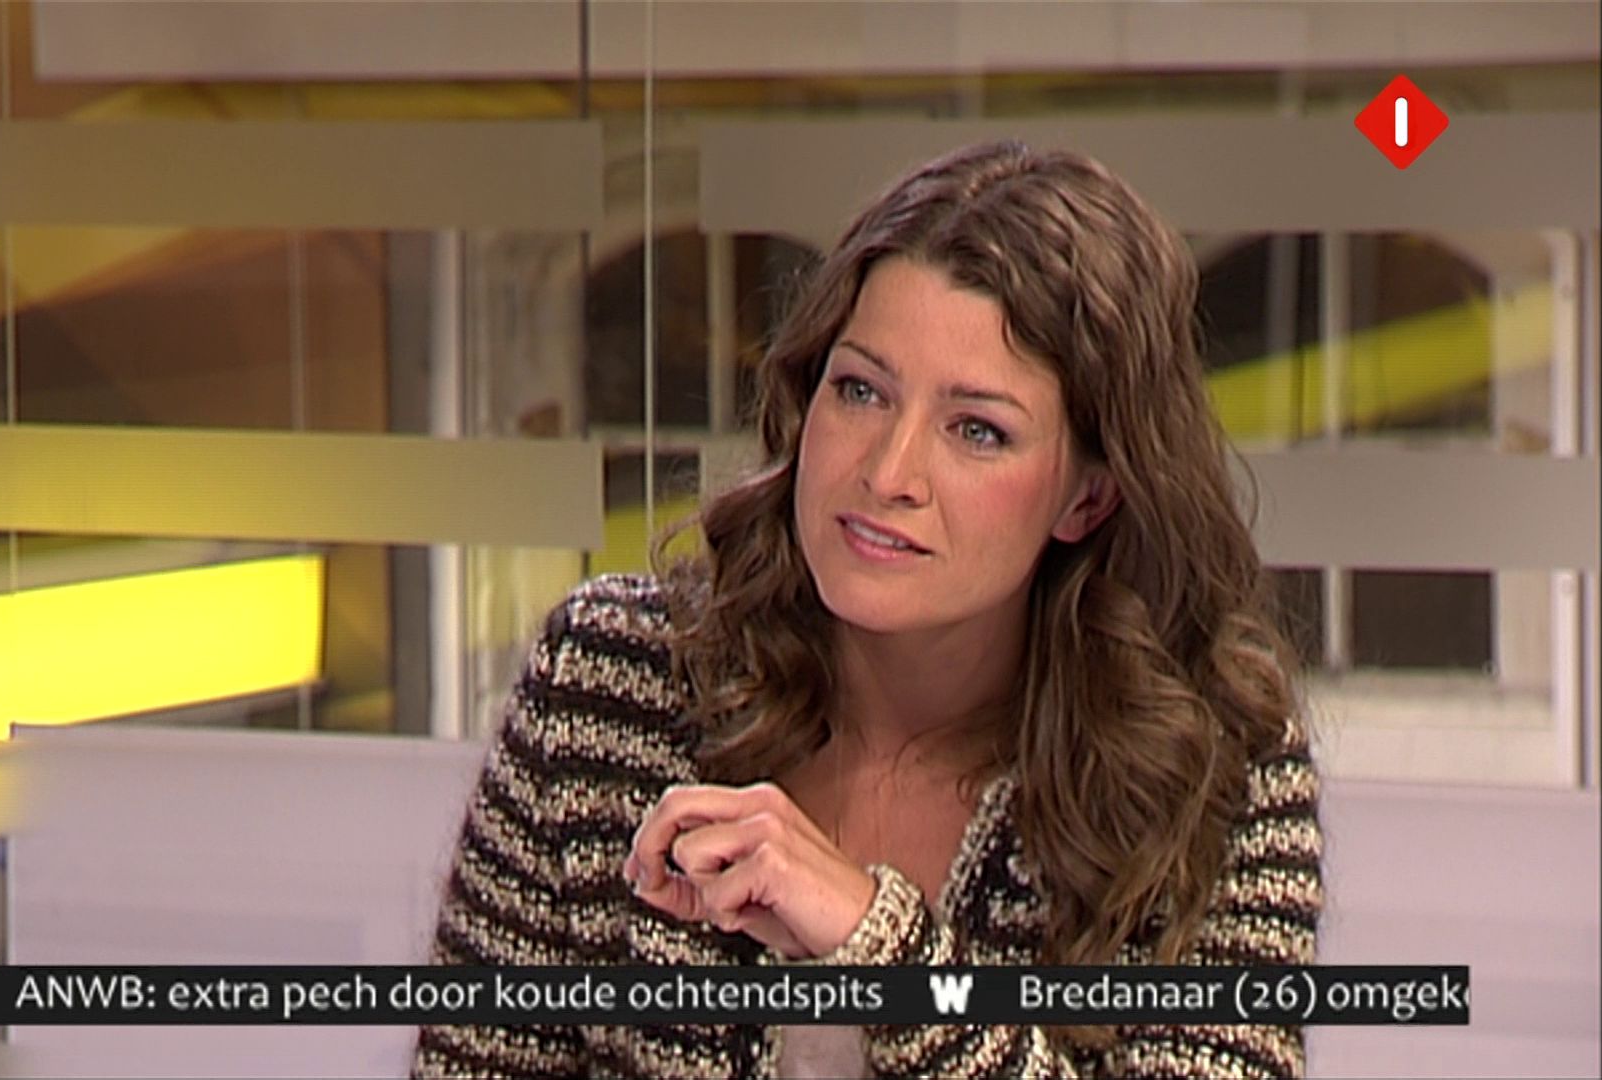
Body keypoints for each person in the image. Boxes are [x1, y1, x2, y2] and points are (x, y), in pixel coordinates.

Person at [410, 140, 1322, 1079]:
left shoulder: (1215, 763)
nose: (888, 474)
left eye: (977, 430)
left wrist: (880, 946)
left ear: (1089, 497)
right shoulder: (610, 685)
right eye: (860, 391)